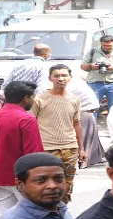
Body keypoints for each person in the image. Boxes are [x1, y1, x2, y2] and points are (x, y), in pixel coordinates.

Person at [0, 81, 45, 214]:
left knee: (4, 218)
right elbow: (33, 154)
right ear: (26, 98)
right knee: (32, 215)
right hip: (22, 178)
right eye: (32, 98)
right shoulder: (26, 119)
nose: (33, 101)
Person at [30, 65, 84, 203]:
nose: (61, 79)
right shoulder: (39, 99)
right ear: (50, 78)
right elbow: (30, 124)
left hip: (70, 149)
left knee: (67, 185)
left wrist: (81, 148)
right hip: (47, 149)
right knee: (47, 186)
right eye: (57, 75)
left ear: (70, 78)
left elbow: (76, 124)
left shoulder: (74, 100)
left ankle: (62, 215)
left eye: (64, 75)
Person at [81, 35, 113, 113]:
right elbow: (82, 66)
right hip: (95, 84)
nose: (106, 47)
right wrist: (91, 66)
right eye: (104, 45)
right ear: (101, 44)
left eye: (109, 46)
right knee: (92, 109)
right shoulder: (93, 51)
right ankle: (93, 125)